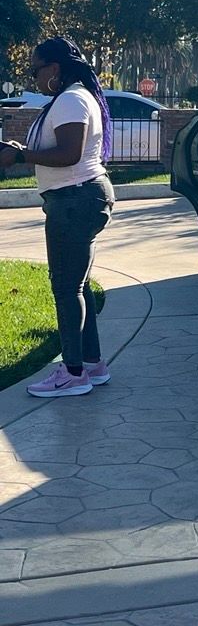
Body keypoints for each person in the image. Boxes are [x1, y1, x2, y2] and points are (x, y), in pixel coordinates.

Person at [0, 36, 115, 397]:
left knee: (66, 289)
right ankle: (91, 364)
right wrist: (24, 151)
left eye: (36, 69)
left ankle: (73, 372)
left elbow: (69, 154)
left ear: (55, 69)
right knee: (76, 286)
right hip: (79, 199)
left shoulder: (70, 100)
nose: (34, 76)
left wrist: (21, 157)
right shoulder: (72, 98)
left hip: (75, 200)